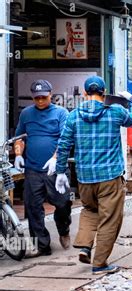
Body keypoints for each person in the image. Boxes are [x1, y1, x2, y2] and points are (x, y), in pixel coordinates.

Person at [55, 76, 132, 275]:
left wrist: (60, 171)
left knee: (90, 210)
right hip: (110, 177)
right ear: (104, 92)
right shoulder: (115, 112)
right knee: (109, 219)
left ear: (85, 94)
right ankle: (100, 264)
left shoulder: (73, 115)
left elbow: (64, 145)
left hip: (84, 178)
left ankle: (85, 246)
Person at [14, 79, 72, 258]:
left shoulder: (61, 113)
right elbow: (20, 137)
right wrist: (17, 154)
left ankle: (63, 229)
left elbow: (65, 139)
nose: (40, 101)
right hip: (33, 169)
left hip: (55, 170)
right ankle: (42, 245)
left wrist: (55, 158)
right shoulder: (26, 114)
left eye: (43, 97)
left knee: (62, 203)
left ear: (51, 95)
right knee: (32, 207)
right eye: (36, 98)